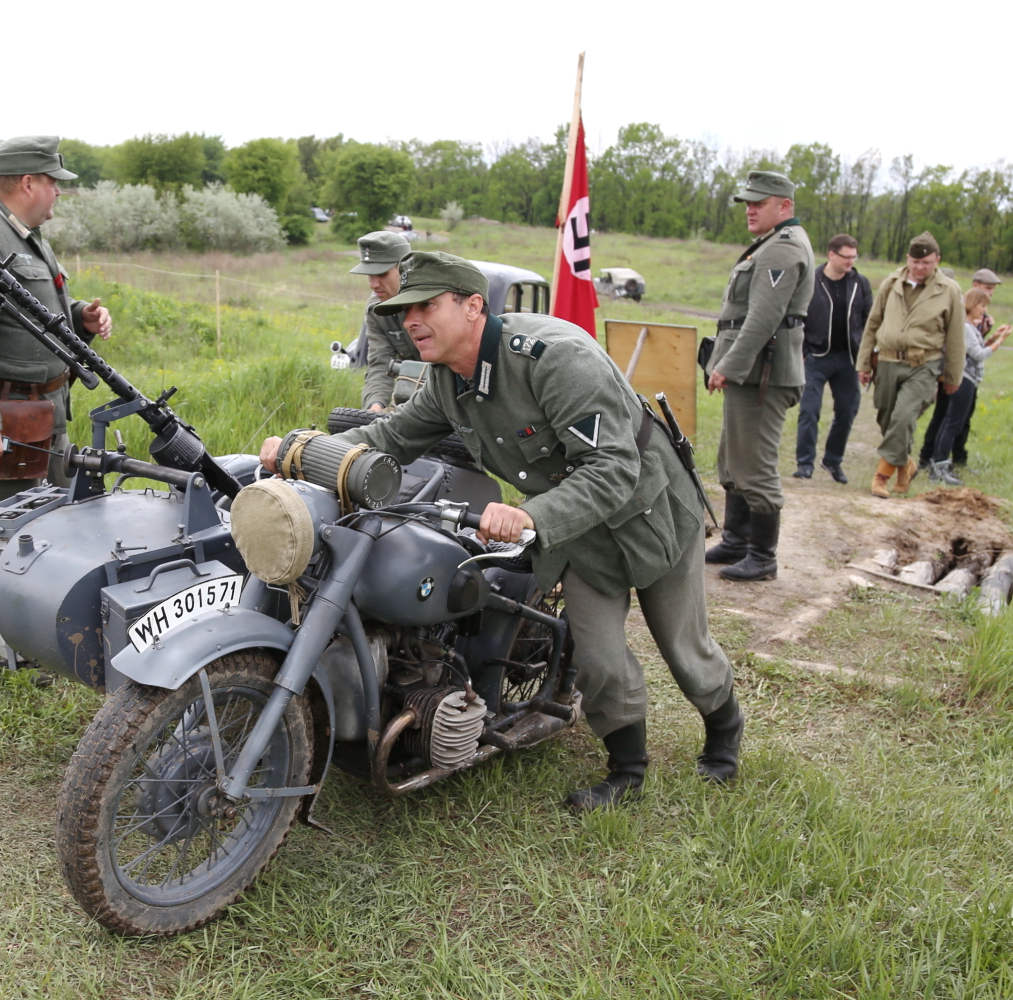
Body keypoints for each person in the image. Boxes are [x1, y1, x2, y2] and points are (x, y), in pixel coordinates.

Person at [258, 252, 740, 811]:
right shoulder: (448, 380)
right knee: (602, 657)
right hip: (575, 527)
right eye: (403, 309)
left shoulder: (554, 360)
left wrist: (531, 516)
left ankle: (724, 730)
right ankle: (628, 771)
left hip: (648, 512)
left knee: (683, 646)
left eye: (426, 306)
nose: (410, 320)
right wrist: (303, 448)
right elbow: (392, 435)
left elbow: (612, 469)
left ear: (472, 306)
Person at [0, 136, 113, 625]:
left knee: (56, 519)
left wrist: (79, 317)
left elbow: (27, 311)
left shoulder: (24, 233)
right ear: (28, 181)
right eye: (54, 182)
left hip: (44, 411)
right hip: (5, 415)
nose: (58, 193)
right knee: (4, 528)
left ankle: (42, 625)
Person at [703, 171, 814, 582]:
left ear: (784, 206)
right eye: (747, 203)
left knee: (755, 463)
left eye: (759, 203)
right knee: (733, 458)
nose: (750, 209)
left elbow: (763, 318)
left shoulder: (782, 249)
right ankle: (737, 540)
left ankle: (762, 556)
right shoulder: (770, 244)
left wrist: (728, 365)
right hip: (753, 370)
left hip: (763, 371)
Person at [855, 231, 965, 498]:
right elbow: (873, 323)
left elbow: (955, 336)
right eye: (916, 262)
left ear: (937, 260)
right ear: (908, 259)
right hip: (888, 360)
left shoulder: (949, 290)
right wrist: (863, 363)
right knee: (887, 419)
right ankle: (906, 466)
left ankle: (881, 476)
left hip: (923, 365)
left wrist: (952, 376)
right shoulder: (891, 283)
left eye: (926, 262)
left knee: (903, 418)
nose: (920, 267)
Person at [793, 234, 872, 483]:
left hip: (848, 358)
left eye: (854, 257)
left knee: (847, 411)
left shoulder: (860, 283)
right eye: (846, 257)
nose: (851, 262)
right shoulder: (811, 281)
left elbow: (869, 322)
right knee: (809, 410)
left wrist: (867, 359)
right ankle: (804, 464)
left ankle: (833, 460)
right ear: (831, 255)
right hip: (816, 356)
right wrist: (803, 351)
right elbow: (797, 317)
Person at [921, 267, 1004, 469]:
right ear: (975, 287)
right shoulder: (960, 305)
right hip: (953, 372)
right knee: (946, 416)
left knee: (959, 419)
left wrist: (986, 332)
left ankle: (952, 459)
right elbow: (966, 346)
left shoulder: (972, 311)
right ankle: (932, 458)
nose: (990, 293)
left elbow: (972, 343)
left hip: (962, 371)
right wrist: (997, 341)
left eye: (992, 289)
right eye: (987, 288)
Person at [350, 231, 421, 411]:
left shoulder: (436, 303)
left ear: (405, 268)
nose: (373, 284)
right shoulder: (376, 310)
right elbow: (380, 364)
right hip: (413, 395)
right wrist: (375, 406)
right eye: (369, 275)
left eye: (381, 274)